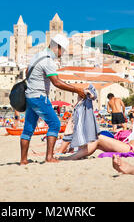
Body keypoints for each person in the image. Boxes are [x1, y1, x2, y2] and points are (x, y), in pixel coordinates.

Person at [20, 34, 86, 165]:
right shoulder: (48, 60)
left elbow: (27, 71)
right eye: (62, 50)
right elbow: (56, 82)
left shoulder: (36, 56)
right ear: (57, 47)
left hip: (29, 97)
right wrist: (77, 90)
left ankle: (23, 160)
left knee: (28, 129)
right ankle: (49, 157)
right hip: (39, 97)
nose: (62, 54)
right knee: (55, 124)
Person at [59, 111, 134, 160]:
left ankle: (72, 157)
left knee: (98, 138)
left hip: (130, 149)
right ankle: (77, 155)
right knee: (97, 143)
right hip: (126, 146)